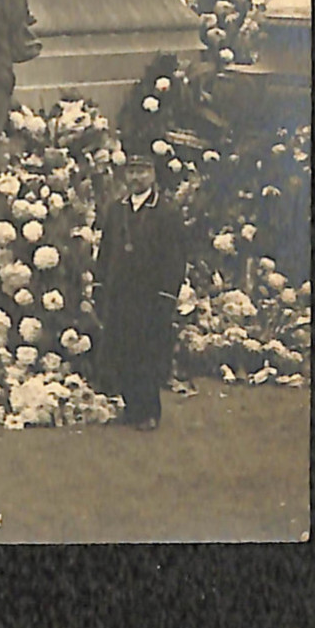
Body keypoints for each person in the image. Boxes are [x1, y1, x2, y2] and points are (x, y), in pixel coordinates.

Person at [94, 150, 188, 431]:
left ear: (153, 174)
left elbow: (175, 258)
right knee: (122, 351)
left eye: (142, 171)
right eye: (132, 171)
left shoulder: (166, 212)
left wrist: (167, 295)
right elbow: (105, 251)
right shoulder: (116, 209)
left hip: (150, 296)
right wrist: (99, 286)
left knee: (146, 353)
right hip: (119, 293)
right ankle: (131, 408)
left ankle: (149, 411)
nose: (136, 177)